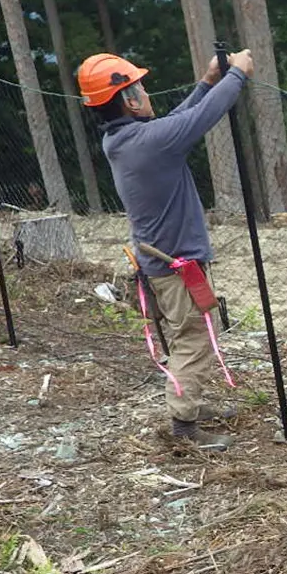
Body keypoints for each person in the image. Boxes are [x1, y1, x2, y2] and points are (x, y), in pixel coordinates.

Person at [76, 48, 254, 450]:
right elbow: (199, 118)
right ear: (129, 99)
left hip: (161, 262)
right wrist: (237, 75)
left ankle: (189, 401)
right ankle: (184, 427)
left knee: (183, 335)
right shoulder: (147, 141)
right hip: (176, 265)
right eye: (139, 87)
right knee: (194, 338)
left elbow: (176, 122)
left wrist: (207, 82)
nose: (145, 92)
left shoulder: (123, 139)